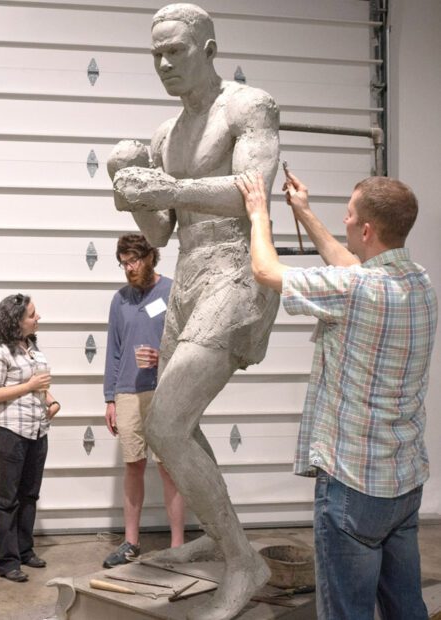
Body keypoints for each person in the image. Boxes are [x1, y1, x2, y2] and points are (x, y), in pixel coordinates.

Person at [107, 4, 280, 617]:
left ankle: (244, 561)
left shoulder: (248, 106)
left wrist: (169, 188)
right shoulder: (165, 134)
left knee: (166, 423)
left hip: (238, 272)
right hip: (188, 277)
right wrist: (127, 187)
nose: (163, 64)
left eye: (175, 51)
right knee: (182, 421)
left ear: (207, 49)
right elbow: (157, 233)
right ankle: (219, 532)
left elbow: (250, 192)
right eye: (155, 53)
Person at [237, 169, 436, 620]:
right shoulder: (419, 282)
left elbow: (265, 270)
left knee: (347, 612)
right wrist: (303, 212)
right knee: (406, 608)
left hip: (353, 487)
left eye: (348, 215)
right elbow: (351, 264)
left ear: (365, 229)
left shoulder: (354, 291)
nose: (343, 221)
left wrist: (258, 214)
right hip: (403, 481)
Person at [102, 234, 184, 568]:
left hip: (166, 389)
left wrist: (162, 355)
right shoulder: (120, 300)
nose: (129, 268)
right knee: (133, 464)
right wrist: (110, 398)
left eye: (134, 260)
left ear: (151, 257)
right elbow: (114, 351)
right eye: (123, 263)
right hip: (127, 392)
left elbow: (190, 341)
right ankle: (131, 542)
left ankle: (178, 545)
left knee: (169, 467)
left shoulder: (172, 292)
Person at [0, 294, 60, 583]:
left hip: (37, 429)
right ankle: (7, 561)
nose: (37, 318)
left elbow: (40, 384)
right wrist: (30, 385)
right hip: (9, 432)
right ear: (16, 321)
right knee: (7, 499)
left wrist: (50, 400)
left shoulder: (32, 348)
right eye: (32, 314)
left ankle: (25, 550)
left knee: (29, 494)